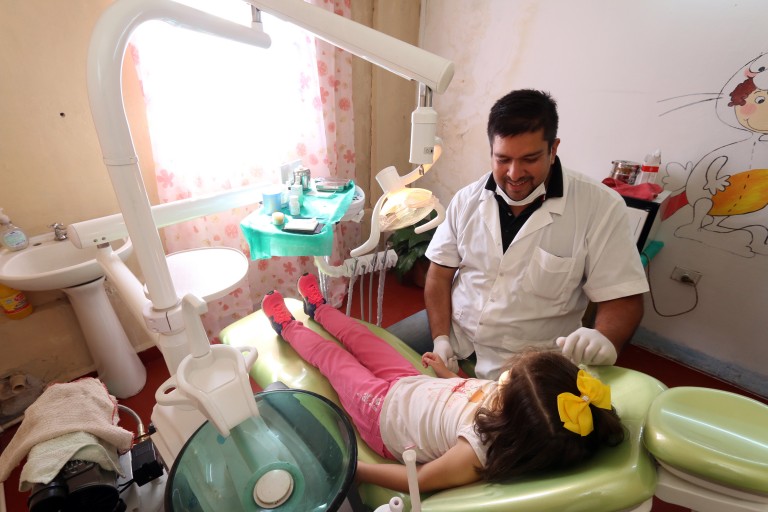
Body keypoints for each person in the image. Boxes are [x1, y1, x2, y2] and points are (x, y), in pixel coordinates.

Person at [261, 273, 624, 493]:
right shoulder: (517, 404)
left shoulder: (475, 451)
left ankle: (287, 327)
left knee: (333, 359)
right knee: (360, 336)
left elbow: (418, 480)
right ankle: (319, 309)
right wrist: (449, 375)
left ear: (512, 414)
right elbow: (473, 393)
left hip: (383, 416)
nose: (503, 377)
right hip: (413, 383)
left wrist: (355, 470)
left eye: (508, 380)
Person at [388, 89, 649, 380]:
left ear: (553, 149)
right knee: (375, 354)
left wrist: (606, 338)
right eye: (502, 159)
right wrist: (440, 339)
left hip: (529, 357)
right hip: (455, 328)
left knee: (489, 409)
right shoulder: (467, 199)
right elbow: (439, 274)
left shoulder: (599, 207)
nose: (514, 174)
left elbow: (623, 296)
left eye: (529, 159)